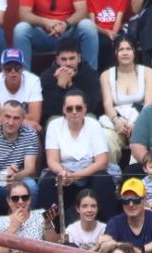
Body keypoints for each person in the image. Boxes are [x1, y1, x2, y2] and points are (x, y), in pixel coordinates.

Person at [40, 86, 113, 218]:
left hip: (89, 171)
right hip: (63, 172)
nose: (74, 112)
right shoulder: (54, 125)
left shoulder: (94, 124)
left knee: (104, 179)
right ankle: (51, 230)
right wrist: (63, 173)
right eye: (69, 108)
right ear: (63, 110)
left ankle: (105, 229)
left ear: (85, 109)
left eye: (78, 108)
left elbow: (102, 161)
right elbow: (52, 160)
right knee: (48, 181)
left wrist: (76, 176)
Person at [98, 37, 152, 165]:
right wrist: (116, 121)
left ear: (134, 52)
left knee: (141, 139)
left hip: (142, 119)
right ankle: (111, 178)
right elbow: (107, 103)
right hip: (116, 120)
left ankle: (136, 179)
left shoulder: (148, 72)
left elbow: (150, 103)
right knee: (105, 138)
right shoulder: (106, 75)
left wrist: (137, 124)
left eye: (128, 49)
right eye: (121, 49)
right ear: (115, 53)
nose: (125, 52)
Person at [14, 0, 99, 73]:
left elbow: (82, 12)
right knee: (21, 29)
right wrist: (45, 22)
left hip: (68, 32)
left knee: (88, 26)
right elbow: (24, 15)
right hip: (42, 33)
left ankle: (90, 76)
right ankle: (23, 79)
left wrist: (66, 24)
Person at [39, 38, 98, 134]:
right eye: (63, 59)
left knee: (92, 119)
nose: (68, 63)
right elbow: (48, 110)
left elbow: (91, 106)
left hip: (83, 115)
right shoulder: (47, 76)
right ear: (57, 60)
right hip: (58, 117)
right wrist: (60, 86)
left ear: (79, 58)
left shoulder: (90, 74)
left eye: (72, 58)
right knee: (52, 122)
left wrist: (70, 85)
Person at [97, 176, 152, 253]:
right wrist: (129, 249)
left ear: (144, 200)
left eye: (136, 200)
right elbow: (105, 243)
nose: (131, 204)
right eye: (126, 200)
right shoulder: (115, 222)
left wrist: (142, 250)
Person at [0, 47, 43, 130]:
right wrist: (24, 120)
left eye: (17, 67)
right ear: (2, 68)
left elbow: (35, 119)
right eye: (8, 67)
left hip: (25, 133)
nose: (13, 71)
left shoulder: (33, 80)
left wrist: (4, 117)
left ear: (22, 68)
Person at [0, 178, 55, 246]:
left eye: (25, 197)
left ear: (30, 199)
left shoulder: (40, 215)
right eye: (15, 198)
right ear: (8, 201)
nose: (20, 202)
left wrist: (48, 224)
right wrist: (12, 229)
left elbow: (54, 247)